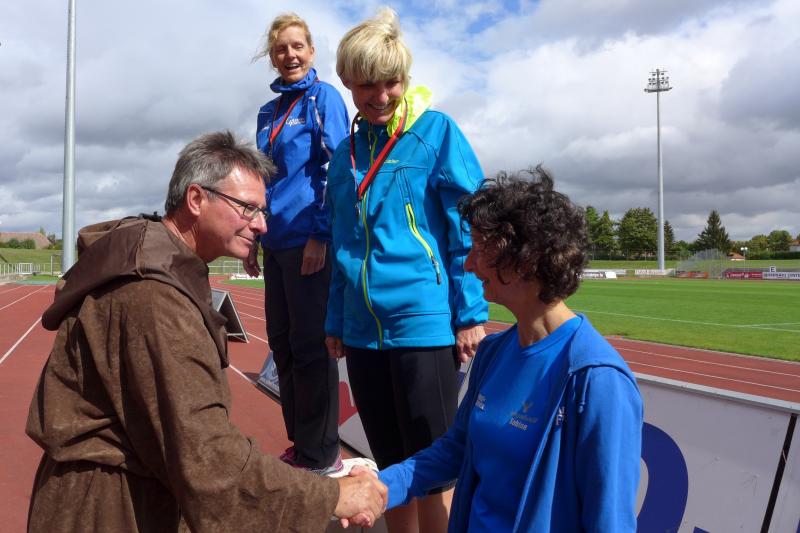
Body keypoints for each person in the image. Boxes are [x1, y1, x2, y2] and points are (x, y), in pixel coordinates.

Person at [25, 131, 386, 532]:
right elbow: (209, 461)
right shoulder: (154, 296)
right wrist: (332, 496)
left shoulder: (156, 263)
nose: (262, 225)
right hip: (108, 511)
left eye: (263, 212)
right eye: (247, 208)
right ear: (196, 199)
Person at [377, 167, 644, 532]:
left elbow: (610, 521)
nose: (469, 264)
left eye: (480, 249)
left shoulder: (597, 380)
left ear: (525, 258)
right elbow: (456, 448)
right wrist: (380, 487)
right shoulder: (493, 352)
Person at [325, 8, 488, 532]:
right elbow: (342, 242)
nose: (380, 96)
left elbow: (466, 229)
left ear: (405, 78)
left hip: (423, 323)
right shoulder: (344, 154)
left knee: (434, 471)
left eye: (391, 82)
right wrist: (336, 319)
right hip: (362, 332)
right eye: (366, 85)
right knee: (391, 468)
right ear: (347, 82)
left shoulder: (435, 132)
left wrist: (470, 313)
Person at [246, 13, 349, 475]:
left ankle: (323, 453)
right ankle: (302, 444)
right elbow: (263, 182)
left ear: (311, 51)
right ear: (272, 57)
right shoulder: (267, 113)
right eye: (281, 48)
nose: (289, 55)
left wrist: (320, 235)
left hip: (310, 242)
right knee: (283, 345)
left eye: (297, 46)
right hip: (276, 242)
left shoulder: (323, 98)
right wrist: (254, 234)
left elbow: (339, 170)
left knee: (310, 347)